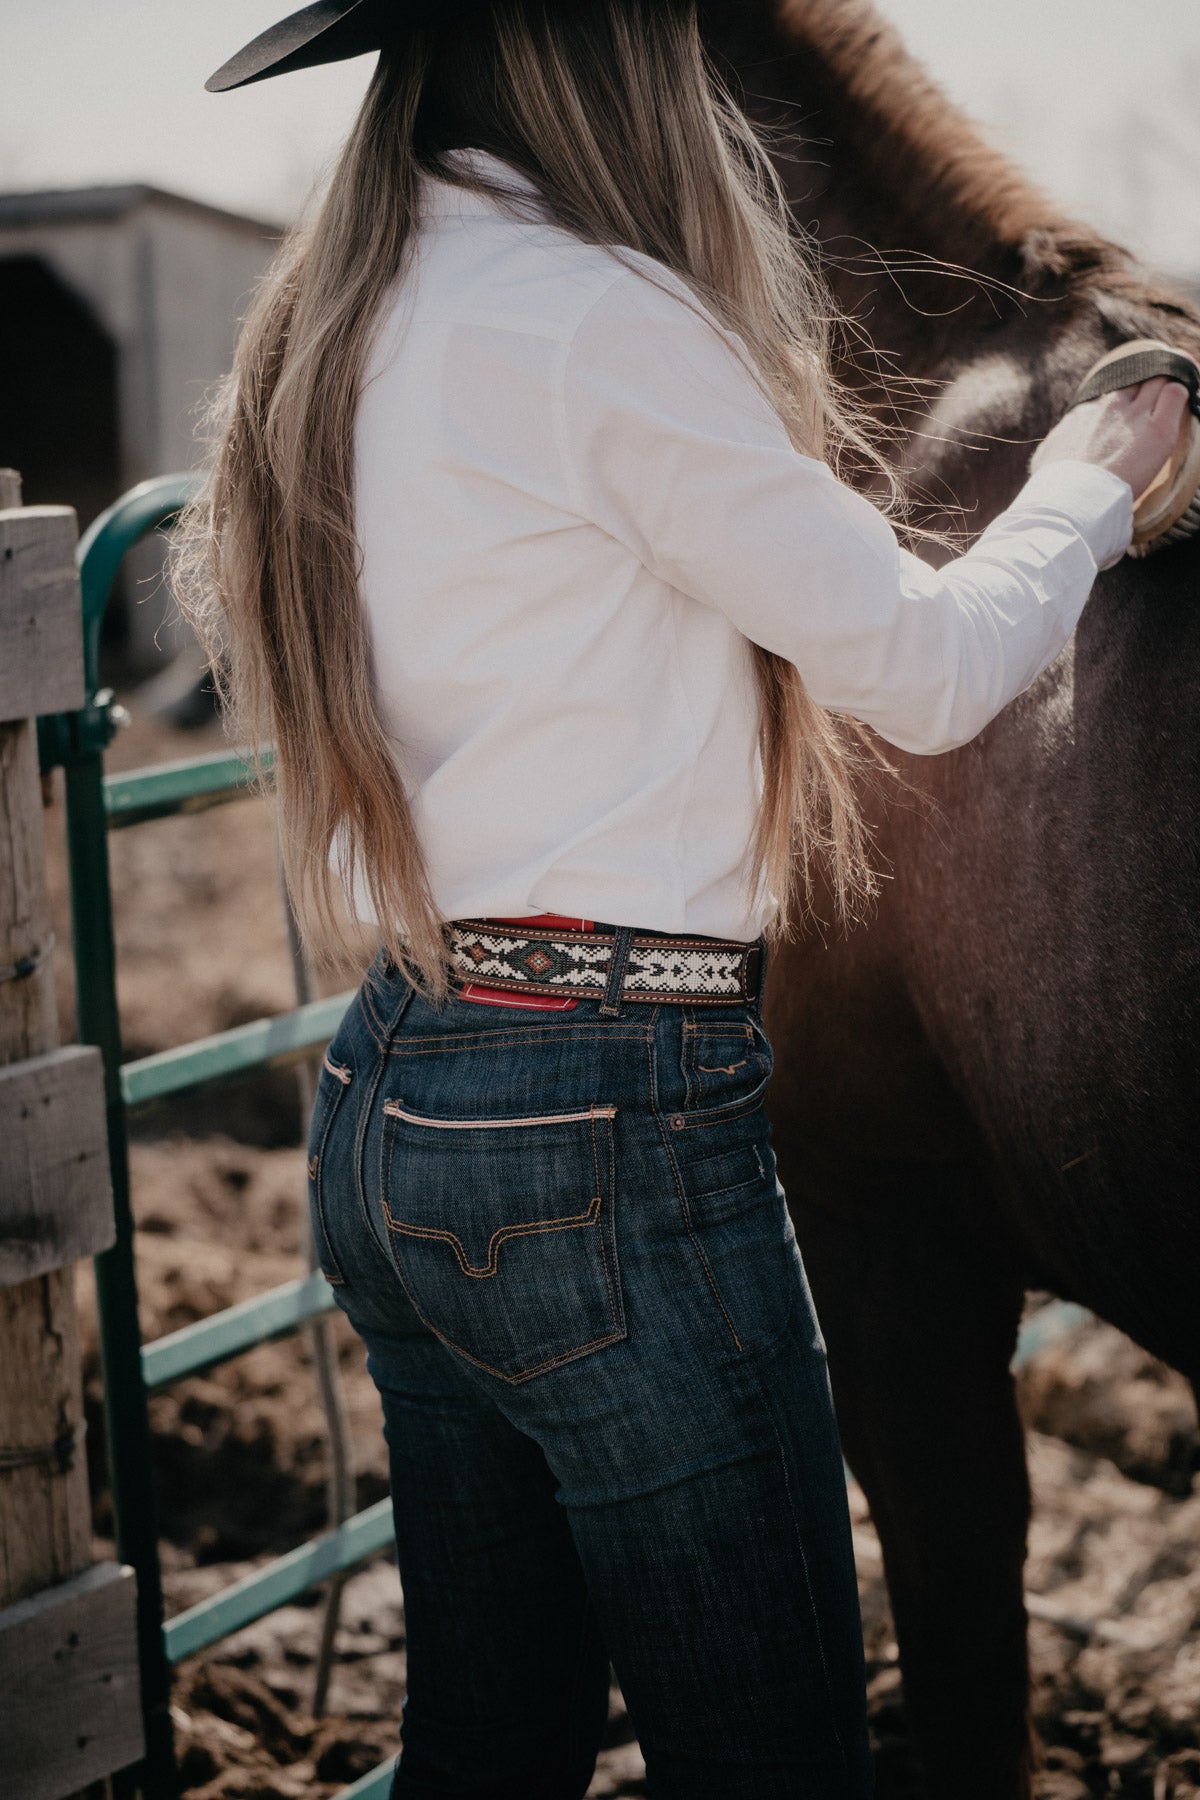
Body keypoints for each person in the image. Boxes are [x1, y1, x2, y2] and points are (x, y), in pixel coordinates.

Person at [181, 3, 1191, 1795]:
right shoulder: (603, 321)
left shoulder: (334, 333)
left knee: (491, 1742)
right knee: (774, 1755)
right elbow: (928, 669)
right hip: (604, 1132)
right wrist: (1086, 489)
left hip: (398, 1091)